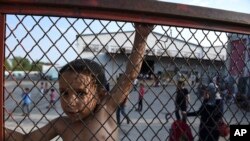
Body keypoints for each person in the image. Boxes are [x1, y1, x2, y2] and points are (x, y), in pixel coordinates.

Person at [5, 23, 154, 141]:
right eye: (64, 92)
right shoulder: (61, 124)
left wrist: (140, 37)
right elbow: (26, 139)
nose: (70, 101)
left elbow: (129, 76)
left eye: (81, 93)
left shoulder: (105, 110)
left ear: (100, 95)